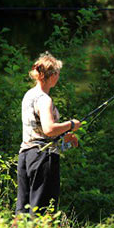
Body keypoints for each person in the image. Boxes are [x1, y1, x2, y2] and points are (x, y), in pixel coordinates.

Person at [16, 52, 81, 215]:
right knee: (41, 210)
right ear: (52, 76)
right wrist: (71, 124)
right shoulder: (45, 99)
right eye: (57, 73)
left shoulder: (28, 95)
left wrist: (66, 137)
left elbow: (38, 130)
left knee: (23, 208)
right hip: (42, 158)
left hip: (25, 155)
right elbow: (49, 129)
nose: (58, 77)